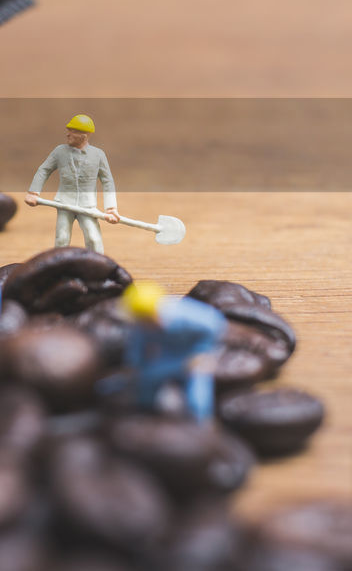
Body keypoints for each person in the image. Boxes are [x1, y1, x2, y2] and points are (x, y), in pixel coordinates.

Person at [121, 280, 227, 422]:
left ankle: (200, 422)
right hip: (169, 356)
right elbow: (137, 345)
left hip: (193, 355)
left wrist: (204, 353)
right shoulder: (141, 325)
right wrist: (134, 365)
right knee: (147, 378)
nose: (145, 323)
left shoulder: (185, 314)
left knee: (197, 390)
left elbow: (214, 325)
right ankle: (145, 412)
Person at [24, 113, 120, 254]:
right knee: (62, 239)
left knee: (93, 238)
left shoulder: (98, 155)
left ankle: (97, 268)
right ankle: (60, 270)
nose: (68, 134)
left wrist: (111, 208)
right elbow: (44, 170)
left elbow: (107, 181)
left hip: (87, 205)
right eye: (68, 130)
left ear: (84, 136)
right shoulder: (59, 152)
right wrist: (33, 192)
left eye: (73, 131)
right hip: (64, 203)